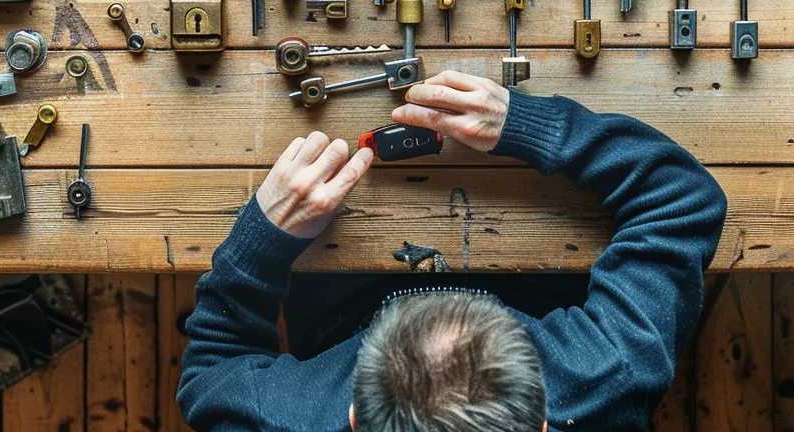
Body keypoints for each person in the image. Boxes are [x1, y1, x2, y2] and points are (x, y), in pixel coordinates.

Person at [176, 70, 728, 431]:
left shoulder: (286, 419)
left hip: (330, 297)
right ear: (542, 421)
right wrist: (529, 125)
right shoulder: (600, 382)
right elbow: (680, 200)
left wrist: (264, 237)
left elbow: (210, 369)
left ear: (352, 420)